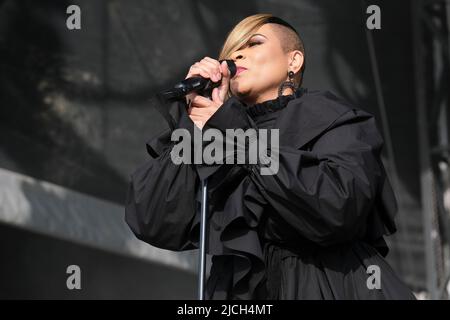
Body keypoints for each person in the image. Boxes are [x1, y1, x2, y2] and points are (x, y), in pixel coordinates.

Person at [125, 13, 416, 300]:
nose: (237, 55)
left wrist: (235, 135)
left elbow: (337, 203)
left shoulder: (332, 117)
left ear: (294, 61)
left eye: (253, 44)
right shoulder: (215, 134)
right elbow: (151, 219)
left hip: (328, 283)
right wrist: (192, 126)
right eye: (231, 52)